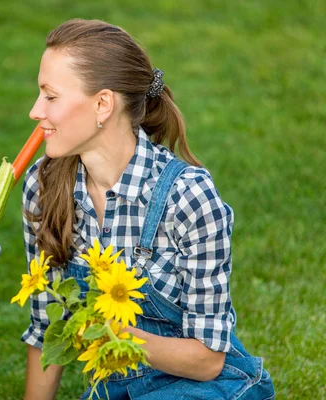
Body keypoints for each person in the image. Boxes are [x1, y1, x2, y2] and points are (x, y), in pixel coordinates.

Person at [20, 19, 275, 400]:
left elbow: (208, 361)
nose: (35, 111)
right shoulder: (43, 188)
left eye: (50, 96)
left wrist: (114, 334)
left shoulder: (188, 197)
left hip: (207, 388)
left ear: (103, 104)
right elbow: (46, 331)